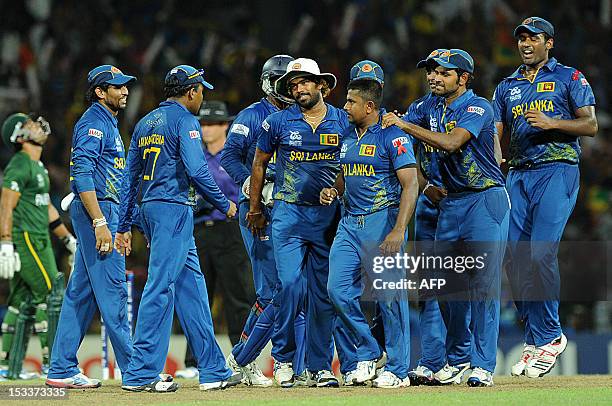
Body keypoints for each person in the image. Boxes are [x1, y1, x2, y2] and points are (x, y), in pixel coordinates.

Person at [383, 49, 509, 387]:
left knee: (483, 286)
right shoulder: (426, 107)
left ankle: (482, 366)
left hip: (485, 201)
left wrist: (403, 124)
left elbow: (453, 142)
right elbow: (401, 142)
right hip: (450, 204)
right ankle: (456, 359)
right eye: (431, 71)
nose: (434, 77)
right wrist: (423, 186)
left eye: (443, 72)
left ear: (463, 78)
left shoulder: (478, 106)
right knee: (445, 286)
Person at [115, 65, 240, 392]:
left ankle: (213, 369)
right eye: (201, 90)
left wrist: (124, 224)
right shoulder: (185, 121)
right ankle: (141, 372)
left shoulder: (145, 123)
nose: (202, 96)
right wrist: (223, 202)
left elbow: (129, 179)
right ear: (190, 92)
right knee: (160, 287)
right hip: (173, 209)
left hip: (152, 209)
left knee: (193, 288)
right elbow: (197, 169)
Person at [492, 17, 597, 378]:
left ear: (548, 42)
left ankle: (552, 335)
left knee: (540, 251)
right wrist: (494, 157)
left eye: (533, 38)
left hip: (557, 169)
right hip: (518, 173)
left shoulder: (569, 77)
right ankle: (536, 339)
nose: (525, 44)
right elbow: (497, 130)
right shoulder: (507, 86)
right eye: (521, 38)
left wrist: (554, 124)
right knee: (514, 261)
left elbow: (591, 125)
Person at [247, 58, 348, 387]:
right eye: (293, 85)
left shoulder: (343, 121)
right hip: (288, 214)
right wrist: (255, 208)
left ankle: (319, 367)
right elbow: (259, 163)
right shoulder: (277, 122)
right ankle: (285, 359)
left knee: (321, 294)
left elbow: (350, 165)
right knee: (289, 285)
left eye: (305, 82)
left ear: (321, 85)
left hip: (325, 219)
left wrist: (336, 189)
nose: (298, 88)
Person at [323, 60, 418, 388]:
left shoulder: (393, 135)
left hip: (383, 220)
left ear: (370, 106)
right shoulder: (347, 134)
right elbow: (345, 172)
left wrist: (399, 229)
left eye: (350, 102)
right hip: (349, 223)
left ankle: (399, 369)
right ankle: (367, 350)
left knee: (389, 298)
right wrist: (333, 189)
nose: (344, 106)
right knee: (336, 290)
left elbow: (411, 184)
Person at [45, 65, 136, 389]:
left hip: (103, 210)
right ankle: (136, 371)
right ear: (100, 91)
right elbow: (81, 175)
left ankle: (61, 368)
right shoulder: (94, 124)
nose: (125, 91)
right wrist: (100, 222)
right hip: (98, 211)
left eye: (126, 86)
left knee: (81, 294)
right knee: (112, 291)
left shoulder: (106, 122)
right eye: (118, 86)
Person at [219, 55, 307, 387]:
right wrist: (250, 185)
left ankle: (292, 367)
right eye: (286, 81)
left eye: (296, 82)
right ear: (270, 83)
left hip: (292, 208)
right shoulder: (252, 115)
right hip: (259, 209)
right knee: (276, 292)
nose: (292, 88)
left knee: (296, 291)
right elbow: (229, 155)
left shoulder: (301, 115)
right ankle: (242, 357)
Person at [174, 101, 255, 380]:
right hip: (199, 231)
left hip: (230, 230)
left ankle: (244, 358)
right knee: (197, 296)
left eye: (212, 124)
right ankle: (193, 360)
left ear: (225, 126)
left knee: (239, 297)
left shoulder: (235, 157)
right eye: (203, 124)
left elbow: (244, 191)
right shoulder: (193, 155)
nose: (206, 129)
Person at [0, 113, 76, 379]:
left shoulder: (37, 166)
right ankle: (53, 364)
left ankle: (7, 366)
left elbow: (47, 209)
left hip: (38, 237)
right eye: (29, 124)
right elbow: (6, 204)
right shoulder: (20, 164)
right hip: (27, 238)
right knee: (51, 294)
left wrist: (67, 239)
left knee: (20, 301)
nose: (37, 125)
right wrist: (6, 242)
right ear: (19, 136)